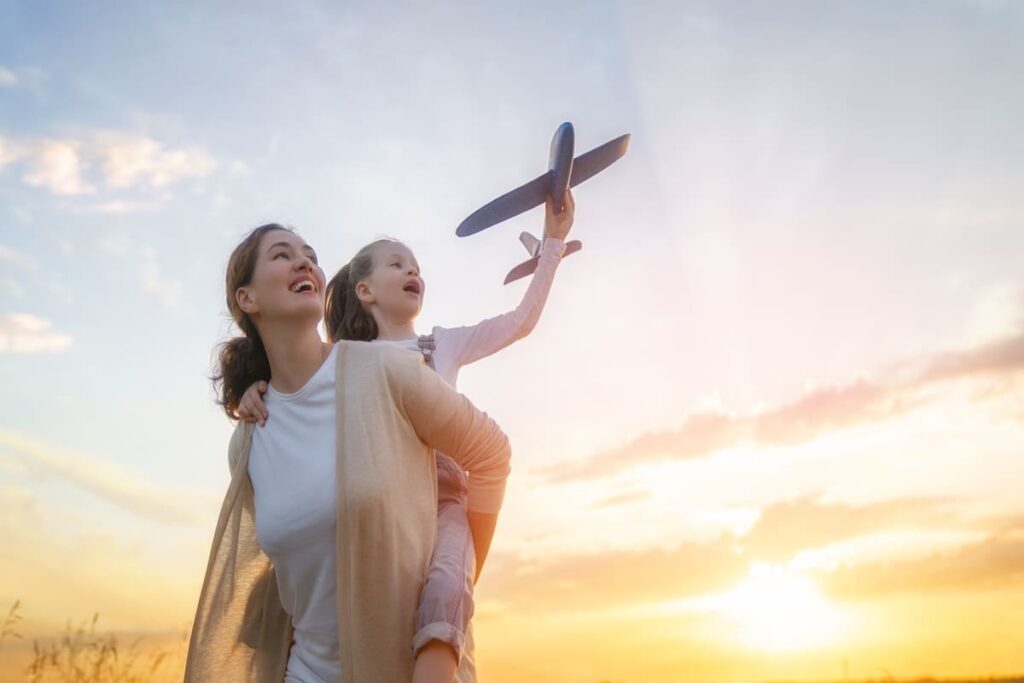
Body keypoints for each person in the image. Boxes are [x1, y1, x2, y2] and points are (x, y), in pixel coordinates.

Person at [236, 191, 576, 682]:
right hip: (382, 502)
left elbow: (519, 322)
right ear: (366, 290)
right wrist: (249, 387)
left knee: (444, 588)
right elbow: (296, 384)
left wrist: (553, 245)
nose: (413, 272)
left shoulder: (439, 345)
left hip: (446, 494)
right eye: (397, 264)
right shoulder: (349, 366)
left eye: (416, 265)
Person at [184, 223, 511, 682]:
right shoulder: (249, 439)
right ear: (247, 299)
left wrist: (459, 576)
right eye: (282, 255)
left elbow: (492, 455)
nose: (305, 263)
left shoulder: (385, 373)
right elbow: (288, 578)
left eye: (310, 254)